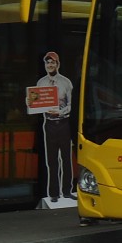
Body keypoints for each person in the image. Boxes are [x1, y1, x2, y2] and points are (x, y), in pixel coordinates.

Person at [36, 51, 76, 201]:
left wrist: (60, 111)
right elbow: (37, 103)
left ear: (58, 64)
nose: (50, 65)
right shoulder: (41, 83)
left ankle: (67, 191)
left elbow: (72, 104)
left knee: (66, 158)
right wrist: (30, 104)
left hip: (64, 123)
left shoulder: (66, 82)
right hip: (49, 125)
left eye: (52, 62)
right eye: (47, 63)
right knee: (51, 160)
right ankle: (53, 193)